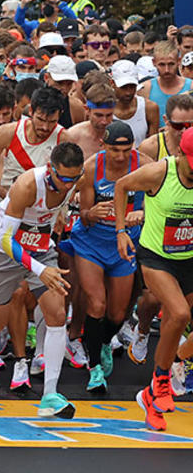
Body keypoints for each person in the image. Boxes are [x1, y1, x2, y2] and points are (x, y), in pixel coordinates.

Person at [0, 143, 85, 418]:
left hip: (40, 248)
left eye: (75, 178)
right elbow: (5, 239)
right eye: (64, 178)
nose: (69, 184)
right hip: (5, 251)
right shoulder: (27, 185)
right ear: (50, 169)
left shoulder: (72, 181)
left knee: (58, 312)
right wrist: (39, 269)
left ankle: (49, 395)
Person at [116, 130, 193, 431]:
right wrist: (120, 231)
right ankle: (160, 383)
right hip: (156, 257)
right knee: (180, 314)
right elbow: (122, 186)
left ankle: (166, 374)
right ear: (181, 155)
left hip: (188, 258)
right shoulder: (160, 172)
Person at [69, 121, 150, 392]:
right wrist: (90, 214)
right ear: (104, 146)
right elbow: (83, 214)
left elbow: (161, 199)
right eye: (115, 150)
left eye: (126, 150)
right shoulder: (92, 167)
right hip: (92, 241)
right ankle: (94, 368)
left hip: (125, 243)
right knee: (97, 304)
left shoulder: (146, 165)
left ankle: (102, 342)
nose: (120, 156)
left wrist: (144, 213)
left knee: (117, 313)